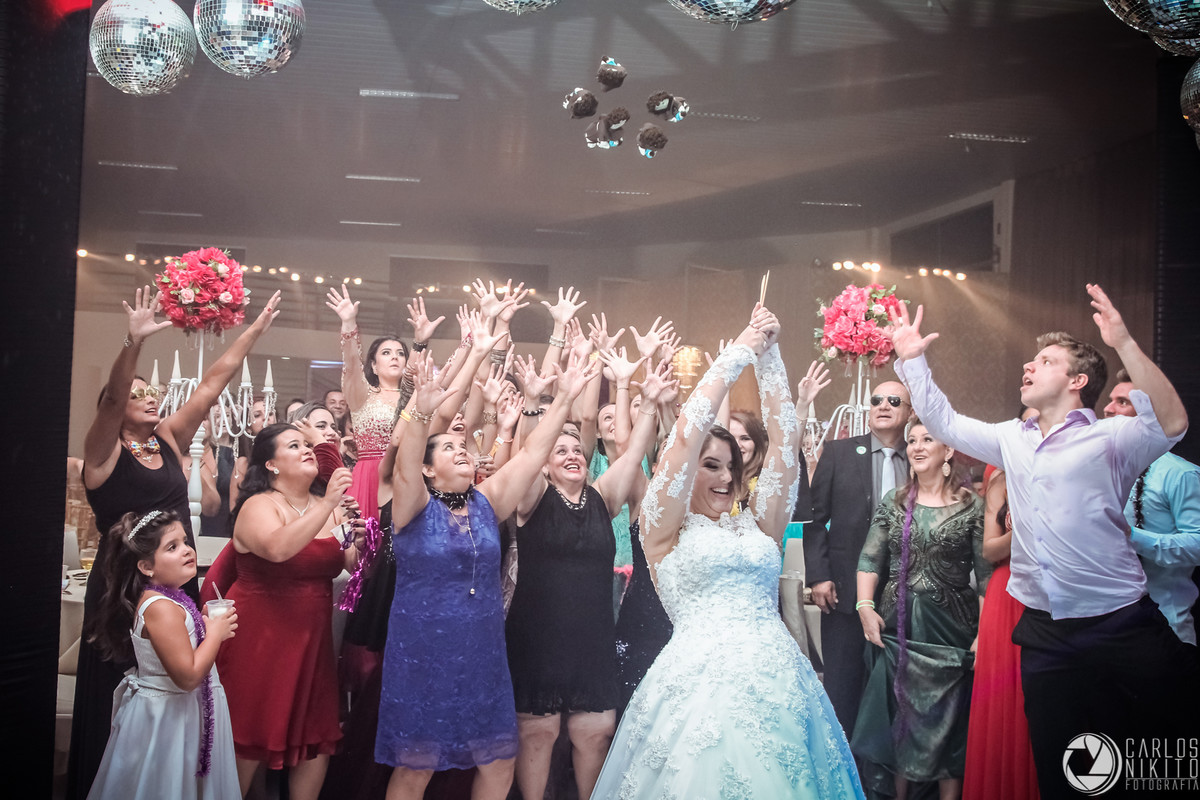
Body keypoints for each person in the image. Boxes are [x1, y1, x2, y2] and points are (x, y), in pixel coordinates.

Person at [889, 285, 1196, 797]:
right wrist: (914, 362)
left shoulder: (1112, 437)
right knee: (1068, 769)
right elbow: (944, 422)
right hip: (1046, 632)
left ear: (1077, 381)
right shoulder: (1012, 438)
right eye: (1030, 359)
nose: (1029, 366)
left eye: (1045, 360)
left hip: (1119, 621)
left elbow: (1174, 422)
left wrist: (1122, 342)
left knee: (1167, 752)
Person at [592, 304, 864, 799]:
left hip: (779, 680)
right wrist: (739, 352)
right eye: (709, 465)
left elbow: (785, 439)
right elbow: (686, 433)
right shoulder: (663, 528)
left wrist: (772, 355)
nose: (722, 476)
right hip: (699, 685)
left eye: (729, 466)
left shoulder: (760, 524)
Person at [69, 286, 279, 800]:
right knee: (122, 696)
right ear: (114, 410)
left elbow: (211, 384)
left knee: (178, 692)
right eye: (137, 393)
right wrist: (132, 342)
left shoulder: (165, 439)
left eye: (151, 392)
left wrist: (253, 331)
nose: (148, 397)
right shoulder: (101, 454)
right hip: (121, 588)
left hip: (172, 579)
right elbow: (114, 396)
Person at [377, 346, 599, 800]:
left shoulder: (485, 501)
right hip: (424, 654)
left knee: (499, 763)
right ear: (428, 469)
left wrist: (562, 400)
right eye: (450, 450)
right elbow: (404, 461)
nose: (462, 452)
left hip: (482, 655)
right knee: (416, 768)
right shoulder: (412, 507)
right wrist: (421, 412)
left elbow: (535, 451)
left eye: (464, 447)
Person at [506, 355, 673, 800]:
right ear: (545, 464)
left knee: (595, 731)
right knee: (537, 734)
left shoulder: (604, 499)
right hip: (538, 638)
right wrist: (541, 399)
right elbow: (529, 450)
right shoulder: (533, 499)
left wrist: (650, 403)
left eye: (577, 450)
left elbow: (633, 452)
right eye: (560, 451)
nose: (572, 455)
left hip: (592, 638)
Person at [216, 423, 364, 800]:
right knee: (249, 736)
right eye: (294, 445)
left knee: (315, 739)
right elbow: (279, 549)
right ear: (271, 464)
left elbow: (349, 564)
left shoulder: (327, 507)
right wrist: (330, 504)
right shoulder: (258, 506)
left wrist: (360, 540)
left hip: (312, 640)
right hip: (261, 638)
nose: (306, 450)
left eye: (307, 445)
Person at [852, 421, 989, 800]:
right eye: (911, 440)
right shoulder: (894, 502)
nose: (916, 446)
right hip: (897, 628)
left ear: (948, 452)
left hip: (951, 630)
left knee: (949, 721)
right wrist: (865, 605)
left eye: (927, 439)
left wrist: (984, 635)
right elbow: (869, 558)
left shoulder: (972, 505)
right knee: (899, 720)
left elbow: (987, 574)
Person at [86, 509, 240, 800]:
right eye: (172, 547)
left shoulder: (171, 597)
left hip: (181, 713)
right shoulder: (160, 607)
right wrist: (216, 635)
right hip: (167, 720)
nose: (187, 550)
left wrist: (205, 626)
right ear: (146, 566)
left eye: (184, 541)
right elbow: (188, 676)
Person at [803, 378, 911, 736]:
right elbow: (813, 520)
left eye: (894, 401)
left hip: (904, 592)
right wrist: (818, 575)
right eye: (877, 399)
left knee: (895, 694)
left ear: (909, 413)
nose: (883, 405)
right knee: (843, 691)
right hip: (845, 593)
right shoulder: (839, 452)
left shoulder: (919, 457)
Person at [1104, 368, 1200, 646]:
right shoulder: (1097, 468)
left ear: (1152, 414)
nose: (1108, 409)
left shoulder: (1181, 475)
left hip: (1165, 627)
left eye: (1122, 402)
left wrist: (1132, 537)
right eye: (1110, 400)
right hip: (1102, 629)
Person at [963, 464, 1040, 800]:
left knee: (1037, 696)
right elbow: (989, 550)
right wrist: (1023, 531)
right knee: (1002, 694)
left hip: (1050, 591)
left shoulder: (1066, 474)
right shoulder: (1000, 484)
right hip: (1006, 591)